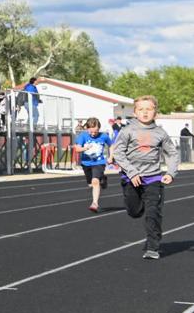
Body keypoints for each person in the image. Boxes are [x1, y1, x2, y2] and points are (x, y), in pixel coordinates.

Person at [111, 96, 179, 259]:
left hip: (153, 178)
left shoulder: (160, 133)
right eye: (141, 109)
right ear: (135, 113)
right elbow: (118, 153)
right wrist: (132, 172)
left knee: (153, 212)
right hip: (131, 178)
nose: (145, 112)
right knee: (134, 212)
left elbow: (172, 153)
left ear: (155, 112)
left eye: (149, 109)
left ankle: (153, 247)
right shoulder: (127, 131)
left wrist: (170, 172)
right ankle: (139, 206)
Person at [74, 117, 113, 213]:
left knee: (95, 181)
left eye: (95, 132)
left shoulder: (104, 136)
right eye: (91, 132)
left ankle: (95, 203)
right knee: (90, 184)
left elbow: (111, 145)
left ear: (99, 129)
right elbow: (77, 149)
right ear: (87, 129)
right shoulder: (83, 136)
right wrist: (85, 148)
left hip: (99, 162)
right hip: (86, 163)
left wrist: (111, 157)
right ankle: (103, 178)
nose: (93, 134)